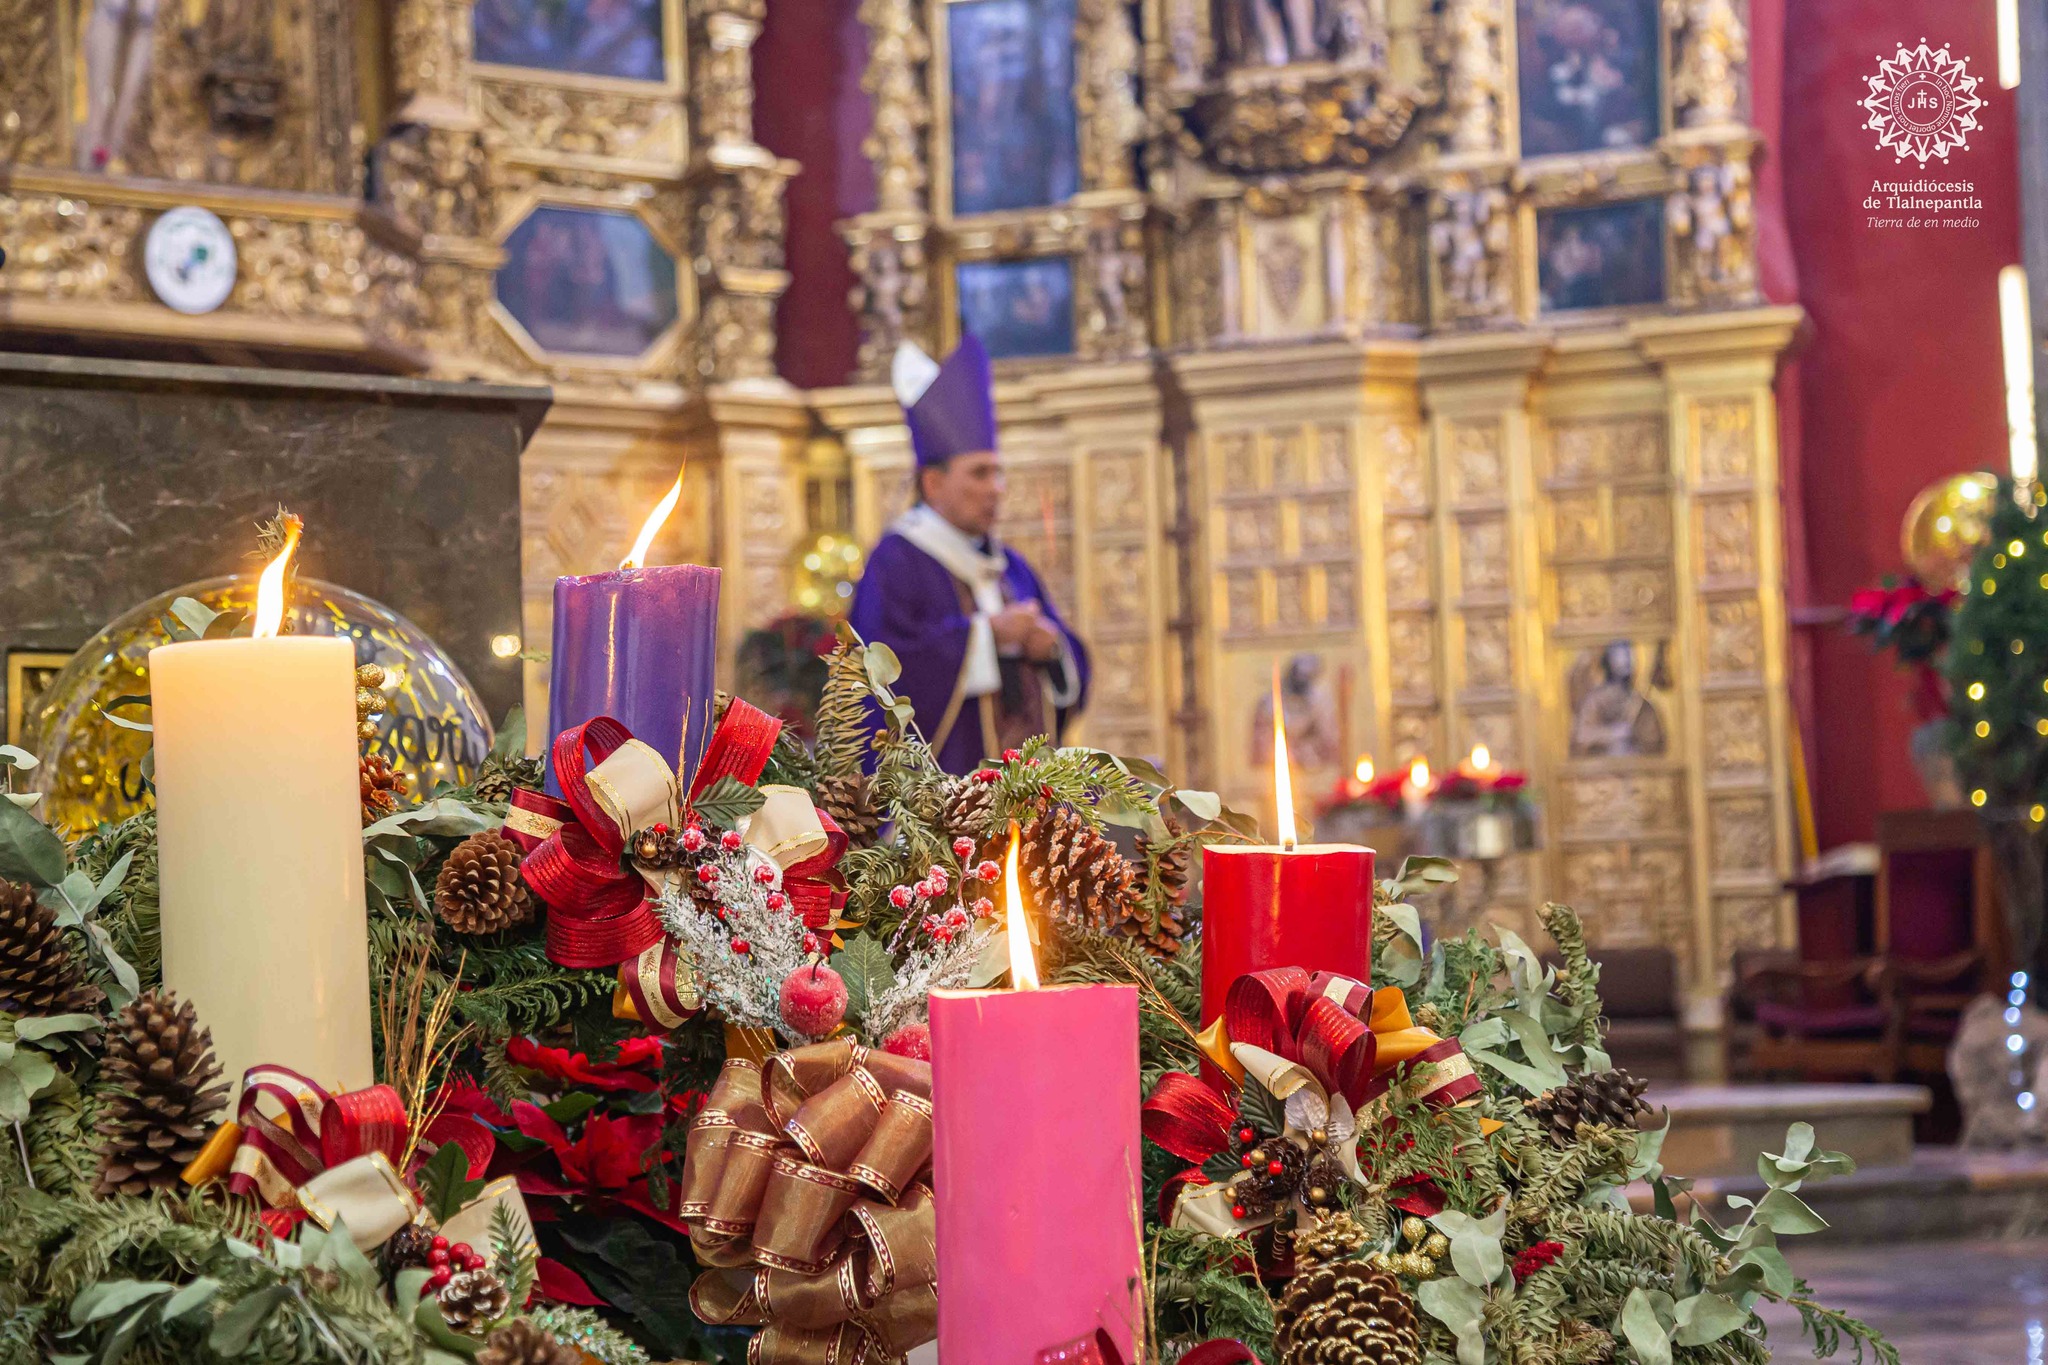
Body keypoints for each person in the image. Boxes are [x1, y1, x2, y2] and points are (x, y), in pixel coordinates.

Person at [848, 335, 1089, 775]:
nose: (996, 488)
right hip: (939, 803)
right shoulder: (896, 562)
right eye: (980, 473)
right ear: (933, 483)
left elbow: (1068, 659)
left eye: (998, 472)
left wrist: (1051, 649)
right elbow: (877, 677)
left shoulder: (1012, 567)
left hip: (1026, 797)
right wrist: (985, 638)